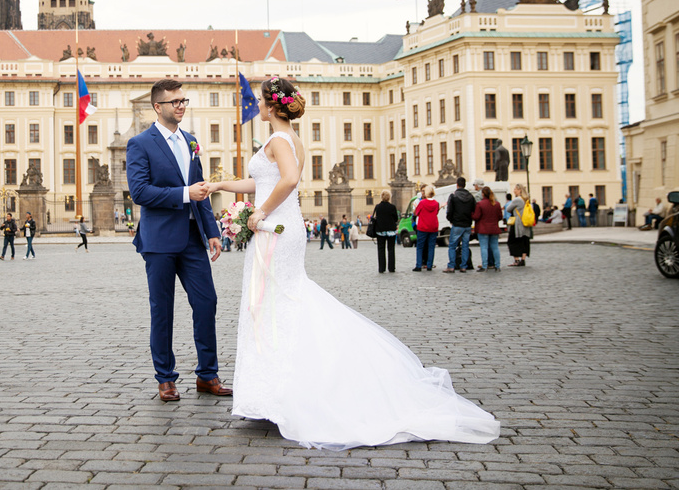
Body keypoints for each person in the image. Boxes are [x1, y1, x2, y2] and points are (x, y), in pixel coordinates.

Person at [207, 76, 499, 449]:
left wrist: (260, 211)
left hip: (276, 227)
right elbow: (261, 182)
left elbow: (290, 179)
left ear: (271, 105)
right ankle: (274, 390)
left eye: (260, 101)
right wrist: (220, 186)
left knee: (274, 305)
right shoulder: (288, 138)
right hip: (281, 225)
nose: (256, 106)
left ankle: (281, 392)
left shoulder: (280, 140)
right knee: (279, 303)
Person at [126, 78, 226, 403]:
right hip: (159, 241)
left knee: (206, 302)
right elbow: (140, 192)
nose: (181, 106)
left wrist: (212, 231)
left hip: (193, 238)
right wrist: (184, 193)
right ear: (158, 107)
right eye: (175, 102)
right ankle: (165, 379)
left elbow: (201, 191)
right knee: (163, 311)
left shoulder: (192, 141)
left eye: (183, 101)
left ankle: (207, 374)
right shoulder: (140, 143)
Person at [444, 177, 476, 274]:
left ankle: (451, 266)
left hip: (457, 223)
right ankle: (463, 266)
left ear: (457, 185)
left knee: (452, 245)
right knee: (465, 246)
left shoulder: (453, 196)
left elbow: (449, 211)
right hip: (467, 224)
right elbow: (474, 210)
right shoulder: (471, 197)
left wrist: (451, 220)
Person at [472, 186, 503, 271]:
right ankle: (497, 265)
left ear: (483, 194)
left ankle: (485, 266)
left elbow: (476, 216)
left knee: (484, 247)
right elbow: (500, 216)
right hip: (494, 228)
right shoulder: (496, 204)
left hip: (483, 229)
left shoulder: (480, 204)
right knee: (495, 247)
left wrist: (471, 213)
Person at [412, 185, 439, 271]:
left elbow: (417, 213)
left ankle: (419, 265)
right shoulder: (436, 203)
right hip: (433, 227)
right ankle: (429, 265)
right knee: (431, 247)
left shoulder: (422, 203)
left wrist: (416, 207)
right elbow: (436, 212)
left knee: (420, 247)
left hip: (423, 227)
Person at [372, 191, 399, 273]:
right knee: (391, 249)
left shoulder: (378, 207)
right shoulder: (392, 207)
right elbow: (396, 219)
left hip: (380, 231)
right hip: (391, 231)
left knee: (381, 249)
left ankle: (381, 268)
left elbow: (375, 218)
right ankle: (391, 268)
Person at [506, 184, 531, 267]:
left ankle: (516, 260)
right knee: (525, 241)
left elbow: (508, 209)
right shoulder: (526, 199)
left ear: (520, 190)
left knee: (512, 241)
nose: (514, 191)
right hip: (526, 222)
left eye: (515, 189)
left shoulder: (517, 200)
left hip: (518, 224)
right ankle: (523, 260)